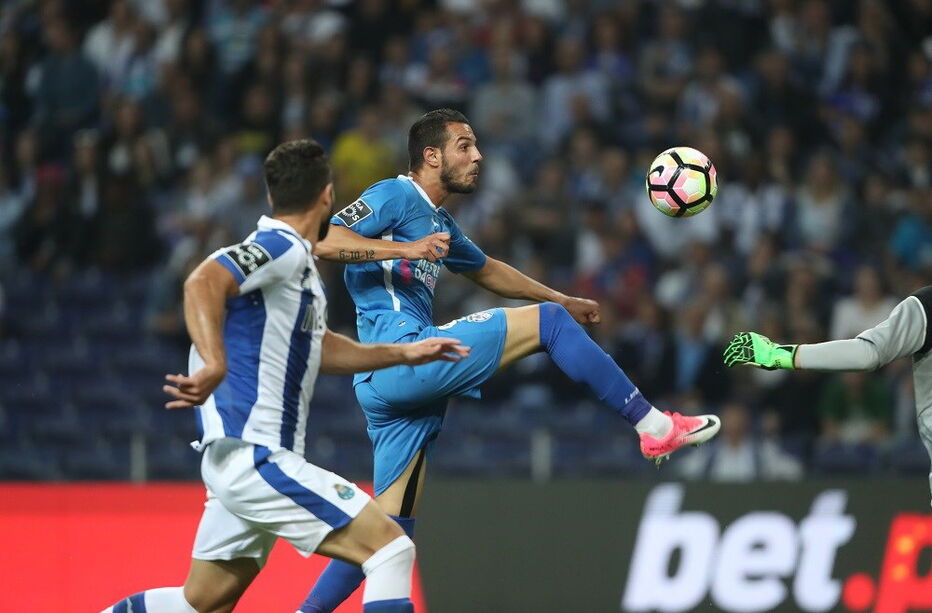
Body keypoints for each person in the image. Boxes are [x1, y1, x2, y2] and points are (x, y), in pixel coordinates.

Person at [301, 109, 721, 612]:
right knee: (547, 325)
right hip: (402, 355)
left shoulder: (440, 221)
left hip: (387, 385)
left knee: (389, 533)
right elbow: (323, 239)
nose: (477, 156)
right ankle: (654, 427)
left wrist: (561, 298)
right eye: (464, 146)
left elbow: (490, 271)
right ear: (431, 156)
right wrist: (409, 249)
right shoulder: (395, 195)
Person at [103, 139, 471, 613]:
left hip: (238, 462)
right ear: (327, 196)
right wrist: (214, 361)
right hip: (256, 456)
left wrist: (403, 353)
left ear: (272, 194)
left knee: (202, 603)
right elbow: (203, 281)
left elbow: (321, 347)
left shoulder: (295, 266)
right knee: (391, 548)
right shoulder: (281, 247)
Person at [723, 285, 932, 503]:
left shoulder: (927, 305)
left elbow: (867, 353)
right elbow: (867, 354)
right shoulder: (927, 307)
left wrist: (777, 354)